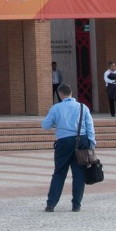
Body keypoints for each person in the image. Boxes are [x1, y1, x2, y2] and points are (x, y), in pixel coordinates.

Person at [40, 83, 93, 212]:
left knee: (59, 173)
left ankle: (51, 204)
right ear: (71, 93)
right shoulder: (83, 107)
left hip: (63, 143)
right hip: (81, 142)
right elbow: (90, 126)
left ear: (60, 94)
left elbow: (45, 126)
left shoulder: (56, 108)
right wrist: (92, 144)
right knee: (79, 174)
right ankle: (76, 205)